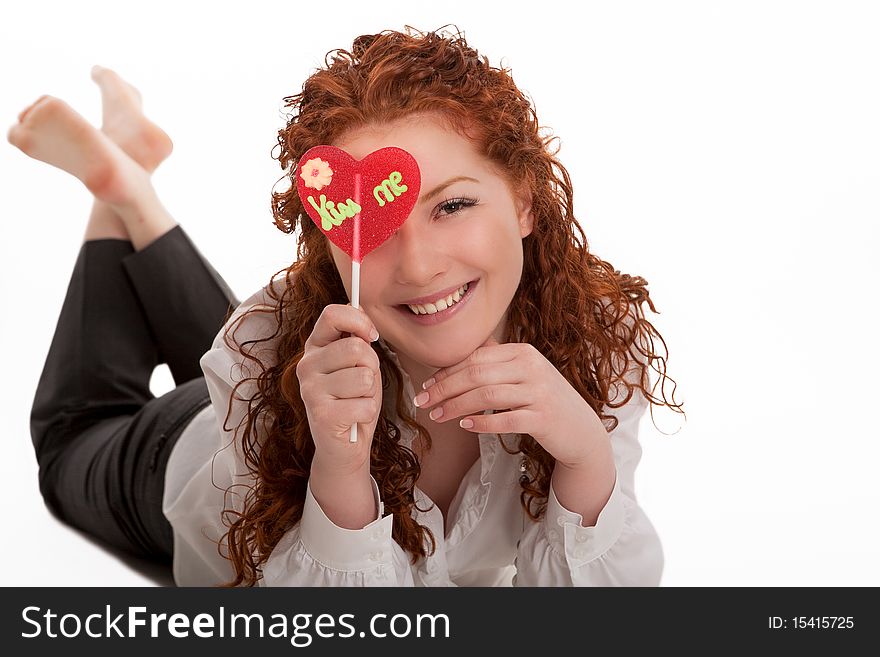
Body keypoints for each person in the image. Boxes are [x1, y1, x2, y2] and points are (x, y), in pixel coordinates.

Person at [11, 27, 684, 587]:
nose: (420, 266)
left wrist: (587, 455)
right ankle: (115, 191)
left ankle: (132, 186)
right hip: (185, 453)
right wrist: (337, 464)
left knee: (238, 359)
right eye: (376, 226)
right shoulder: (267, 357)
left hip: (257, 388)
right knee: (71, 432)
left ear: (525, 202)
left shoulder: (593, 345)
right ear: (328, 250)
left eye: (453, 205)